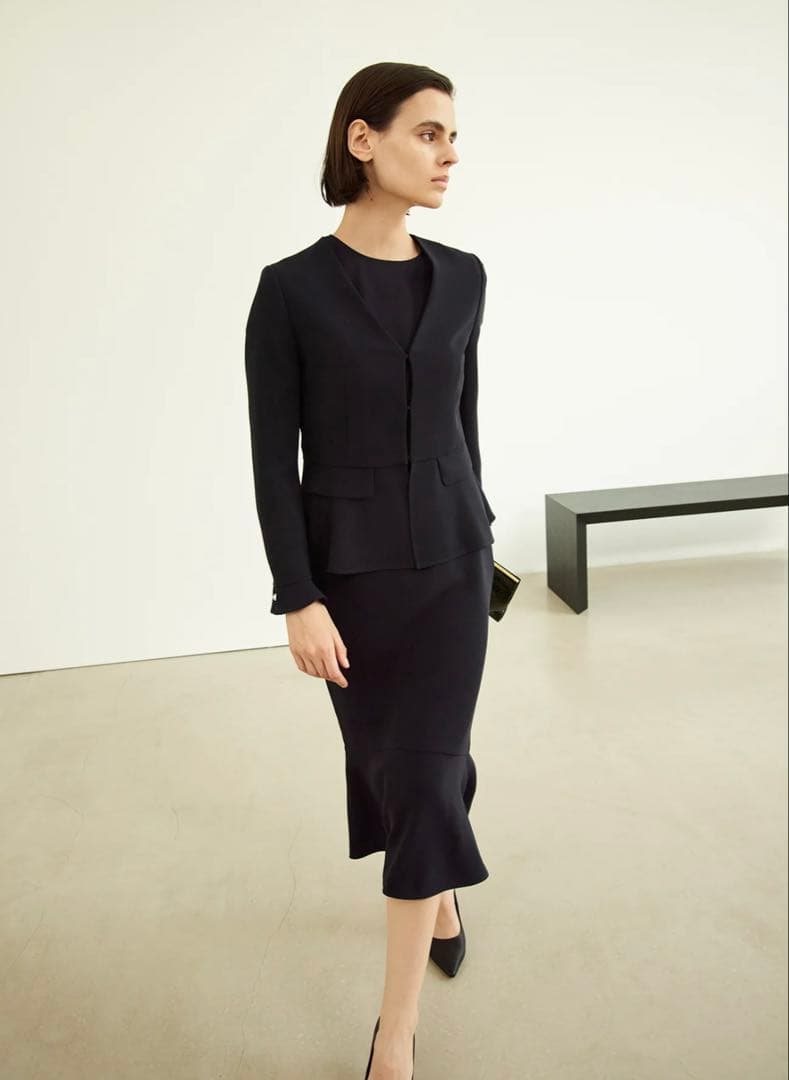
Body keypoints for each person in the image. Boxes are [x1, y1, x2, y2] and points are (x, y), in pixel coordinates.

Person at [244, 61, 497, 1080]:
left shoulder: (465, 276)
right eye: (428, 133)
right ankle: (439, 892)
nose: (449, 155)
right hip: (351, 581)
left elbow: (465, 427)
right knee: (400, 768)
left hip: (453, 570)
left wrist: (483, 534)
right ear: (362, 139)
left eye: (452, 136)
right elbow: (274, 463)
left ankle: (394, 1033)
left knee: (428, 771)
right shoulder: (290, 291)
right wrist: (296, 596)